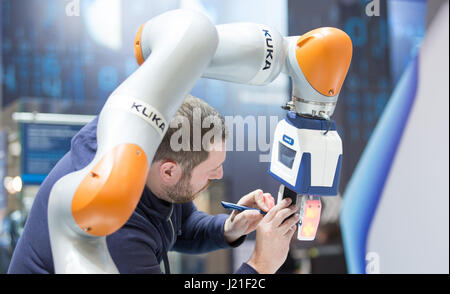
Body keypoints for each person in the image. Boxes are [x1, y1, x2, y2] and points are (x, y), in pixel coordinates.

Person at [8, 96, 299, 274]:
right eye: (211, 169)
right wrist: (261, 265)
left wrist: (228, 229)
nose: (220, 175)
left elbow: (181, 223)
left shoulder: (146, 153)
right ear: (169, 171)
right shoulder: (112, 230)